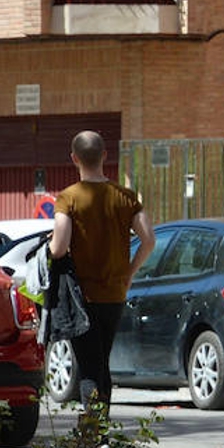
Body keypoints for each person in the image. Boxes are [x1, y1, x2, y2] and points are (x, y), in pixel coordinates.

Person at [48, 129, 156, 409]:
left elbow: (59, 248)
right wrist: (129, 273)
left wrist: (48, 249)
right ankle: (101, 437)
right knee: (100, 361)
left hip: (81, 297)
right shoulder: (127, 197)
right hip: (115, 294)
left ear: (74, 158)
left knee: (89, 367)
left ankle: (94, 437)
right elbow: (149, 240)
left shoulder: (68, 197)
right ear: (105, 156)